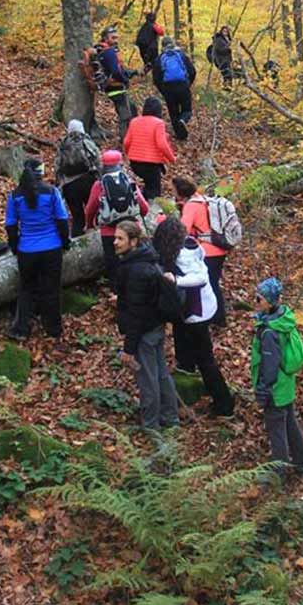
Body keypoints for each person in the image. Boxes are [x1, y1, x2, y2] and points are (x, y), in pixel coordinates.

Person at [153, 217, 234, 416]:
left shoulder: (186, 251)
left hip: (198, 311)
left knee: (206, 360)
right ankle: (186, 365)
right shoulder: (183, 248)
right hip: (198, 308)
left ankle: (224, 404)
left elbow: (200, 277)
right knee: (187, 337)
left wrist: (176, 280)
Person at [113, 219, 179, 433]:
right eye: (115, 237)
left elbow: (136, 312)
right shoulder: (147, 261)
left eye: (120, 239)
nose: (115, 242)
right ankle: (170, 417)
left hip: (145, 332)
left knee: (148, 378)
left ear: (133, 242)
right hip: (156, 327)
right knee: (161, 373)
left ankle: (151, 425)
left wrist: (129, 348)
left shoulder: (136, 271)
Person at [5, 158, 70, 341]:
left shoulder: (15, 195)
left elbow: (10, 224)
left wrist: (15, 246)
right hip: (52, 248)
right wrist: (65, 242)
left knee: (26, 289)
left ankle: (21, 329)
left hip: (27, 250)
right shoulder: (51, 192)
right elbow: (62, 219)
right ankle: (53, 328)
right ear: (41, 173)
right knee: (51, 288)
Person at [251, 277, 303, 475]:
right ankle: (300, 461)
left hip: (275, 388)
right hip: (286, 385)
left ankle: (278, 472)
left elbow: (269, 365)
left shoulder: (269, 331)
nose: (255, 301)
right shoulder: (283, 319)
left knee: (276, 430)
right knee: (290, 421)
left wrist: (263, 390)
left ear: (270, 302)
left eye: (259, 299)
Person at [84, 150, 149, 287]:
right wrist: (139, 217)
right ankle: (136, 288)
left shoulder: (99, 184)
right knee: (134, 260)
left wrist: (90, 224)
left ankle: (117, 292)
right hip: (131, 230)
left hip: (109, 233)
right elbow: (144, 206)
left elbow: (90, 208)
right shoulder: (128, 180)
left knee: (113, 264)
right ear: (120, 163)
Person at [173, 175, 228, 328]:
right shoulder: (204, 200)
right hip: (219, 248)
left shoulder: (191, 205)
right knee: (214, 283)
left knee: (210, 285)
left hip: (207, 251)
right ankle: (218, 318)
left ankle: (216, 318)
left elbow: (182, 230)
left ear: (180, 192)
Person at [123, 97, 176, 200]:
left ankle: (141, 202)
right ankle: (152, 212)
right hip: (151, 165)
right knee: (154, 192)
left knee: (148, 185)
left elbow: (126, 142)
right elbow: (162, 144)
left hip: (135, 163)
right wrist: (171, 158)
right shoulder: (158, 123)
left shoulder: (134, 121)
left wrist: (129, 154)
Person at [55, 119, 101, 237]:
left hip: (69, 185)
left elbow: (58, 166)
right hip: (88, 181)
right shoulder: (86, 141)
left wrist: (60, 184)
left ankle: (77, 242)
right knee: (93, 212)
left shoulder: (63, 144)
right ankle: (96, 237)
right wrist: (101, 177)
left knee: (77, 217)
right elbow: (97, 159)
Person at [98, 25, 139, 141]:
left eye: (116, 38)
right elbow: (116, 72)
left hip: (112, 86)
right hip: (115, 87)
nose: (116, 40)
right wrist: (125, 79)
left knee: (132, 108)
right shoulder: (109, 52)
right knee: (125, 115)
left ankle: (132, 135)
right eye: (113, 38)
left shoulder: (103, 51)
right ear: (106, 39)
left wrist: (132, 72)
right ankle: (125, 140)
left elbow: (118, 68)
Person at [153, 37, 196, 141]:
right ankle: (183, 120)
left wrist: (163, 91)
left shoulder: (160, 58)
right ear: (173, 43)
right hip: (183, 85)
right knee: (187, 110)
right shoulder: (181, 55)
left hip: (168, 88)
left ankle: (180, 135)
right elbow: (193, 71)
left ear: (162, 46)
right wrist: (188, 83)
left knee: (173, 112)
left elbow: (156, 78)